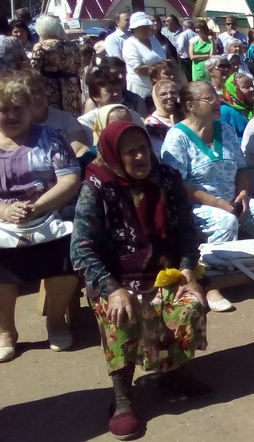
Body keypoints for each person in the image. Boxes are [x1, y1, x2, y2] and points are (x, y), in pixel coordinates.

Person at [70, 121, 210, 439]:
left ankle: (174, 373)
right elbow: (81, 249)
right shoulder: (96, 188)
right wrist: (112, 289)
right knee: (120, 313)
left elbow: (188, 232)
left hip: (164, 275)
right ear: (113, 155)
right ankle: (122, 398)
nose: (138, 156)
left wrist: (188, 270)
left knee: (190, 305)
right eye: (128, 151)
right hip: (117, 280)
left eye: (143, 148)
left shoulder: (167, 179)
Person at [0, 72, 81, 362]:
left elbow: (70, 179)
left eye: (17, 108)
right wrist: (5, 211)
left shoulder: (51, 137)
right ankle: (5, 330)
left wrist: (37, 207)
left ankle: (56, 320)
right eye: (3, 109)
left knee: (70, 250)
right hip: (2, 223)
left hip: (49, 215)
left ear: (29, 107)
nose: (11, 115)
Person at [161, 82, 254, 248]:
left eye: (217, 97)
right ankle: (222, 270)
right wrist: (218, 204)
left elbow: (241, 168)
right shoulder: (177, 138)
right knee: (226, 222)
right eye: (209, 98)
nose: (217, 102)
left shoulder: (226, 130)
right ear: (190, 105)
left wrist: (242, 193)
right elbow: (178, 184)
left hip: (233, 200)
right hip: (198, 206)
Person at [16, 69, 90, 157]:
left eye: (40, 90)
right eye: (31, 92)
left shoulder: (65, 119)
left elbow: (79, 150)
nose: (38, 97)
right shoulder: (14, 125)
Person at [30, 15, 85, 116]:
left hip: (50, 89)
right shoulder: (73, 46)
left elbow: (34, 71)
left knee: (53, 119)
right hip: (71, 87)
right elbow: (79, 67)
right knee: (71, 118)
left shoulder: (40, 47)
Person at [120, 12, 167, 99]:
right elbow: (138, 68)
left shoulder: (154, 41)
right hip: (140, 89)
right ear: (135, 28)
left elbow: (164, 60)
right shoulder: (129, 44)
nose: (146, 28)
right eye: (142, 26)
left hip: (158, 87)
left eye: (147, 25)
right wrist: (162, 71)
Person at [145, 79, 181, 154]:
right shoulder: (151, 123)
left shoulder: (186, 116)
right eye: (163, 94)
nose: (169, 96)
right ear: (156, 97)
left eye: (173, 92)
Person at [220, 72, 254, 138]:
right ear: (234, 90)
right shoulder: (224, 111)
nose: (252, 89)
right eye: (246, 87)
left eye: (252, 85)